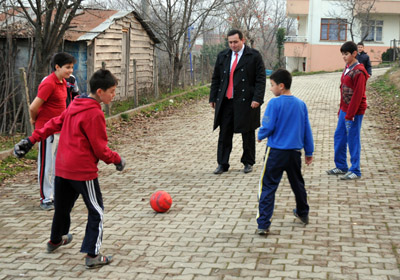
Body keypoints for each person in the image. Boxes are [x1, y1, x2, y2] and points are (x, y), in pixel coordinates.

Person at [14, 69, 125, 269]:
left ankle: (55, 240)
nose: (114, 95)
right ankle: (92, 255)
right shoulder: (95, 113)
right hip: (82, 172)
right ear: (100, 92)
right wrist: (117, 159)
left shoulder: (75, 104)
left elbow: (54, 123)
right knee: (96, 211)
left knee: (62, 208)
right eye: (112, 91)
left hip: (62, 168)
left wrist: (31, 139)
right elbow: (100, 149)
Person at [256, 69, 314, 236]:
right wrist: (309, 151)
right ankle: (303, 213)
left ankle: (263, 223)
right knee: (298, 184)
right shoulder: (300, 104)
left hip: (275, 152)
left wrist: (261, 135)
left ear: (281, 86)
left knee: (267, 186)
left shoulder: (274, 103)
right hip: (295, 153)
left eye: (272, 85)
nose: (271, 88)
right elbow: (306, 130)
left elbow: (268, 124)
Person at [209, 29, 266, 175]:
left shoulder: (253, 56)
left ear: (243, 40)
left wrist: (257, 99)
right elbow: (216, 78)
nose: (233, 45)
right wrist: (213, 97)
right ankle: (222, 163)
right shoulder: (223, 56)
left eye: (235, 42)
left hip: (247, 101)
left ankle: (248, 162)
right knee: (224, 133)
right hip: (226, 101)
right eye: (230, 42)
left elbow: (260, 79)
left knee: (247, 132)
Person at [30, 52, 76, 210]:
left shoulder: (63, 82)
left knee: (58, 165)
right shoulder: (49, 83)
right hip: (46, 130)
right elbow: (33, 107)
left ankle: (56, 196)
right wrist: (33, 120)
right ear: (57, 67)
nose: (70, 71)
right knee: (46, 165)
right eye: (67, 67)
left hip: (60, 129)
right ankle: (45, 198)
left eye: (71, 67)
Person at [326, 41, 369, 180]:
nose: (344, 57)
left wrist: (350, 115)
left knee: (353, 139)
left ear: (354, 54)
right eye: (342, 54)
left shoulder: (359, 72)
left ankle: (355, 170)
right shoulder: (347, 67)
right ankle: (341, 166)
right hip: (345, 110)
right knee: (339, 136)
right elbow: (343, 89)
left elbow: (357, 95)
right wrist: (341, 110)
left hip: (355, 112)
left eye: (346, 54)